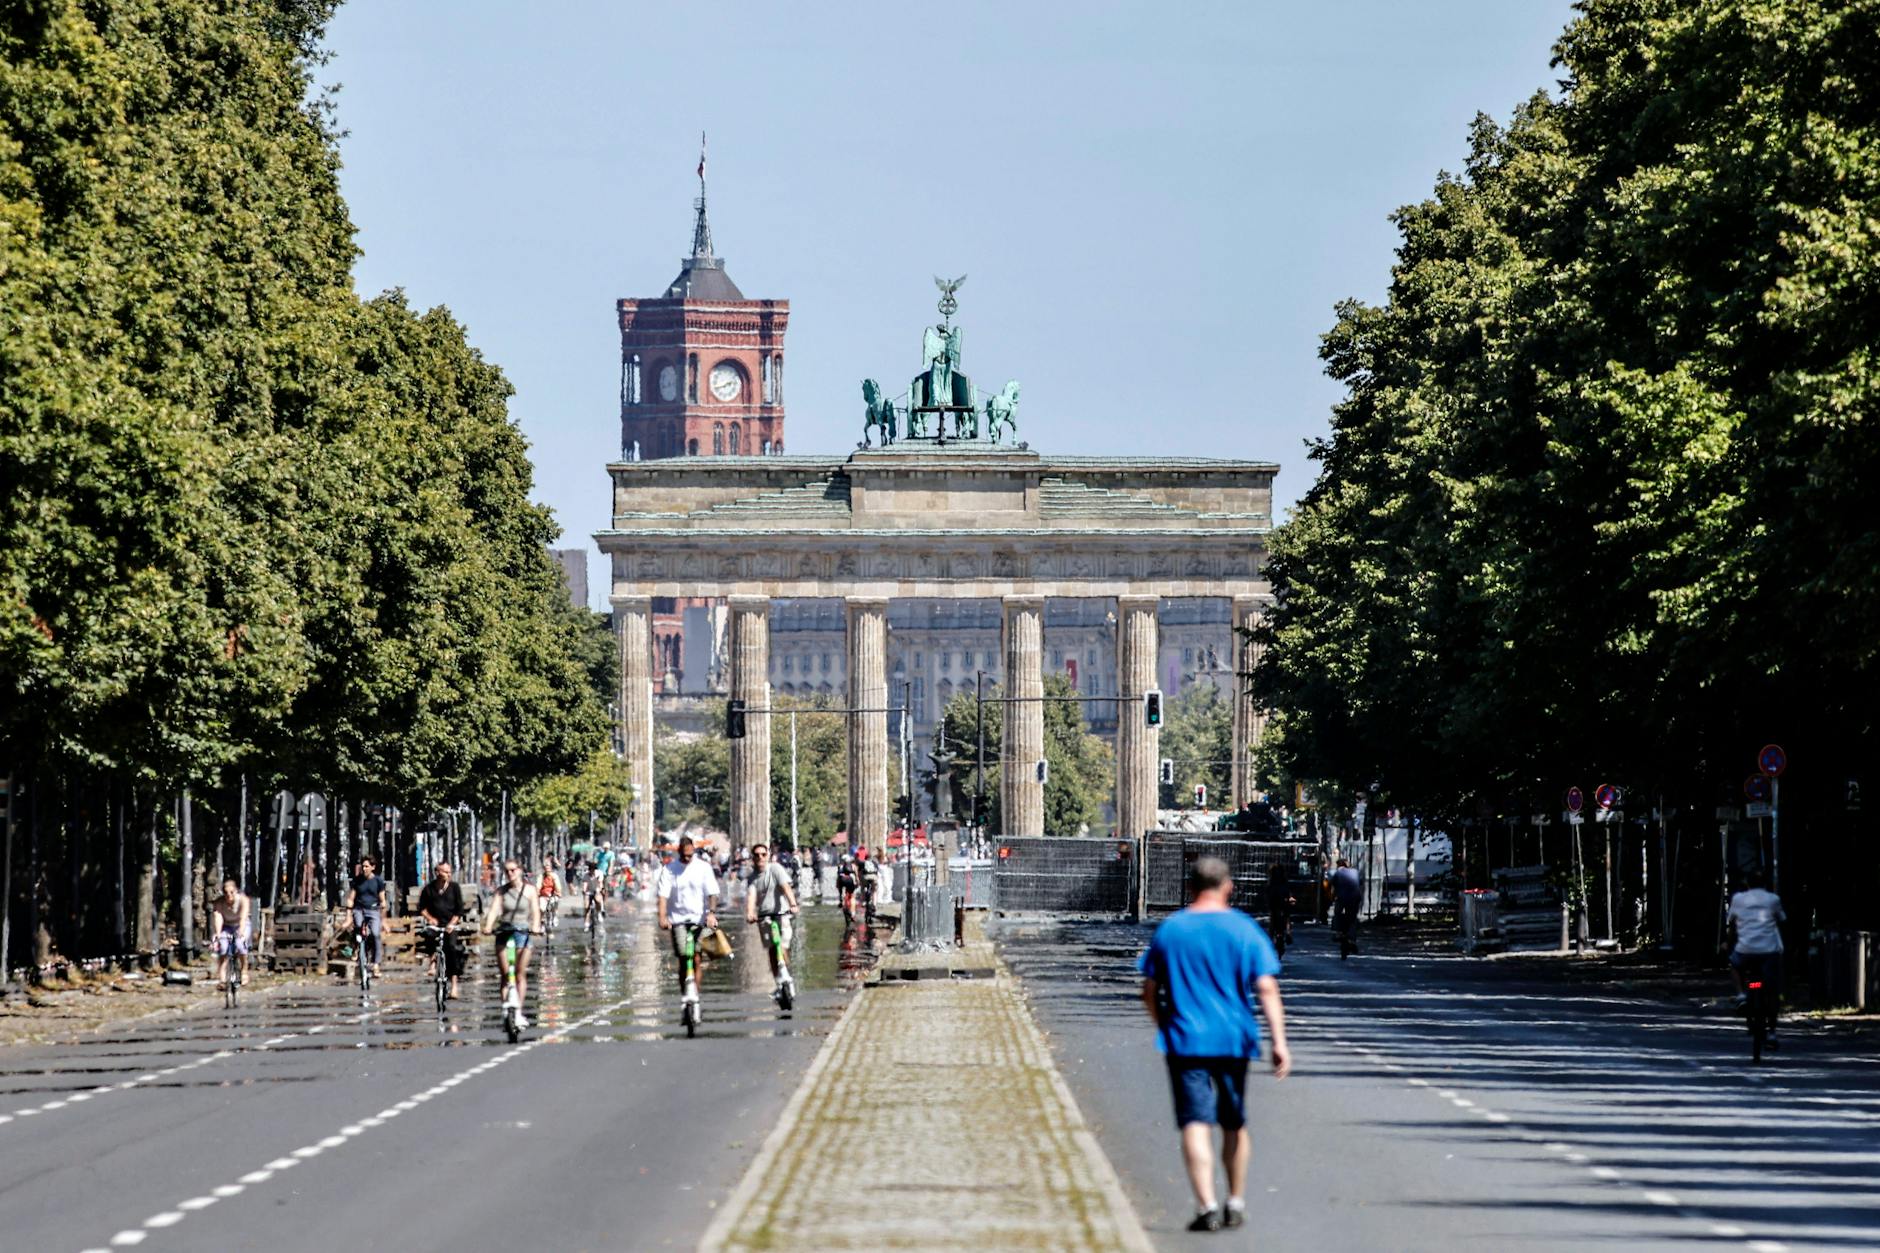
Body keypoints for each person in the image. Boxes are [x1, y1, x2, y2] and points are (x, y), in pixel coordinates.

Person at [1138, 856, 1291, 1233]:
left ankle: (1206, 1205)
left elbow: (1148, 989)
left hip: (1185, 1040)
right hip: (1234, 1039)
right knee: (1233, 1122)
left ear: (1190, 888)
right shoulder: (1244, 929)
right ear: (1228, 888)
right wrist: (1279, 1042)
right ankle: (1235, 1200)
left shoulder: (1171, 930)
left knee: (1195, 1122)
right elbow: (1267, 987)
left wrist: (1164, 1023)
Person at [654, 836, 720, 1007]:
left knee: (697, 957)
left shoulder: (703, 868)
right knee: (684, 957)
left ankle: (694, 995)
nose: (687, 858)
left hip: (699, 918)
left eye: (690, 855)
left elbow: (712, 893)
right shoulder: (669, 869)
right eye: (684, 855)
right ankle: (685, 994)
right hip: (678, 920)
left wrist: (711, 913)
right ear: (679, 852)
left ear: (694, 851)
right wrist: (662, 917)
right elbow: (662, 896)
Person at [480, 860, 540, 1028]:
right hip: (504, 932)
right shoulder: (501, 891)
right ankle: (506, 1009)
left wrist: (536, 926)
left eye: (513, 870)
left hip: (522, 933)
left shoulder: (530, 890)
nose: (510, 874)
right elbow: (493, 910)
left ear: (520, 870)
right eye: (507, 871)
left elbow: (535, 911)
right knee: (506, 974)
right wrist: (488, 926)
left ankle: (518, 1011)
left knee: (519, 973)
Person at [744, 843, 800, 996]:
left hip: (781, 914)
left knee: (781, 948)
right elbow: (751, 896)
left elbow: (785, 887)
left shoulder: (775, 869)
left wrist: (793, 904)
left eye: (763, 854)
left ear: (767, 855)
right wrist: (750, 913)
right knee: (771, 952)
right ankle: (779, 982)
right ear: (753, 858)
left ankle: (787, 977)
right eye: (757, 855)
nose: (760, 857)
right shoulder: (752, 877)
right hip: (764, 917)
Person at [1727, 869, 1786, 1010]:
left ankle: (1741, 994)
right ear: (1765, 884)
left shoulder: (1738, 899)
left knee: (1734, 965)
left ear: (1748, 884)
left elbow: (1732, 922)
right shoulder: (1773, 899)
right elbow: (1782, 919)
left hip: (1745, 949)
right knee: (1775, 970)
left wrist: (1728, 943)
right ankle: (1777, 993)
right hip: (1769, 949)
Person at [417, 861, 468, 999]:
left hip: (450, 925)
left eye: (449, 872)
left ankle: (455, 986)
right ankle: (432, 961)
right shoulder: (429, 889)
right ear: (437, 872)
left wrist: (452, 924)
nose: (448, 874)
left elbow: (459, 910)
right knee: (428, 935)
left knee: (451, 949)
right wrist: (429, 918)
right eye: (445, 872)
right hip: (435, 925)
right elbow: (421, 908)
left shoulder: (454, 888)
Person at [346, 857, 388, 978]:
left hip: (373, 910)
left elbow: (383, 900)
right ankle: (356, 947)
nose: (364, 869)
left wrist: (383, 919)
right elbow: (351, 898)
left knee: (375, 934)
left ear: (373, 867)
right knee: (358, 926)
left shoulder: (378, 881)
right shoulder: (357, 880)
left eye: (366, 866)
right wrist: (348, 915)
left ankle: (376, 964)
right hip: (359, 909)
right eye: (363, 866)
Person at [210, 878, 251, 989]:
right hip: (227, 926)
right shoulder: (219, 902)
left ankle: (244, 971)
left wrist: (241, 933)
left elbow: (243, 918)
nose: (229, 895)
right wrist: (218, 934)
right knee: (223, 948)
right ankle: (222, 977)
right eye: (226, 893)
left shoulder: (243, 900)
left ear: (236, 891)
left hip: (241, 924)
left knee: (240, 945)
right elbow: (218, 917)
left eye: (231, 892)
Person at [1329, 857, 1362, 950]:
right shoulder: (1355, 871)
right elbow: (1360, 883)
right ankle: (1352, 939)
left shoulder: (1338, 872)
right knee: (1352, 918)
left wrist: (1332, 898)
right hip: (1355, 898)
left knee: (1337, 913)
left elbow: (1333, 886)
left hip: (1342, 898)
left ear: (1339, 865)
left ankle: (1338, 932)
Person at [1264, 861, 1296, 952]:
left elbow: (1268, 893)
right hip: (1281, 903)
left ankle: (1271, 939)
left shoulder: (1272, 880)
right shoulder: (1283, 880)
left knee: (1273, 919)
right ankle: (1288, 934)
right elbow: (1288, 892)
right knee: (1287, 918)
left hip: (1275, 903)